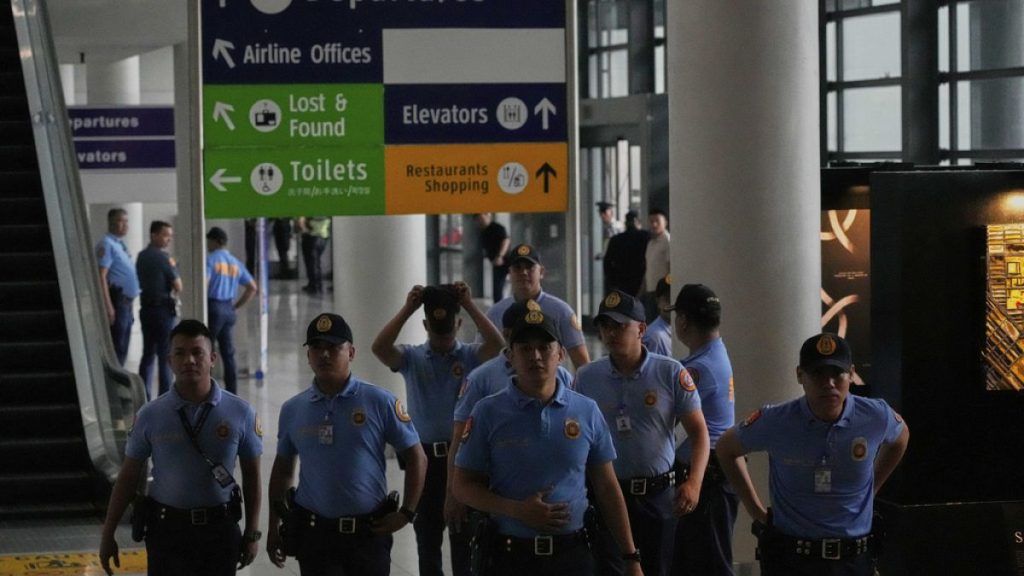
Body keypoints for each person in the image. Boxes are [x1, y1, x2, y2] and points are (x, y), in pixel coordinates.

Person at [453, 306, 643, 576]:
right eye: (526, 349)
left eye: (545, 347)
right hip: (510, 557)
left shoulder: (586, 410)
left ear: (561, 355)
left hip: (572, 555)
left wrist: (630, 556)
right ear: (510, 356)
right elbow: (462, 486)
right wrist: (517, 510)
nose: (536, 356)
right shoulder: (487, 412)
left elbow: (607, 487)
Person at [716, 333, 910, 576]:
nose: (829, 383)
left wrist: (873, 488)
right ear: (800, 375)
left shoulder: (874, 416)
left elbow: (901, 437)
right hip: (793, 560)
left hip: (854, 561)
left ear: (850, 374)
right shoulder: (776, 421)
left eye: (837, 373)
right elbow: (726, 448)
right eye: (818, 374)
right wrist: (755, 510)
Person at [99, 319, 263, 576]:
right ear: (169, 361)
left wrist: (252, 533)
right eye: (180, 353)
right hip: (167, 533)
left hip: (219, 531)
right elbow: (129, 476)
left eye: (197, 352)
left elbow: (252, 475)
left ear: (213, 358)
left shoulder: (240, 412)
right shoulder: (151, 415)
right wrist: (108, 533)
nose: (189, 360)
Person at [267, 313, 427, 576]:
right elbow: (283, 471)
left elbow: (416, 457)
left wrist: (406, 513)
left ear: (351, 352)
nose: (325, 355)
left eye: (333, 347)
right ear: (308, 357)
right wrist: (274, 527)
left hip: (367, 534)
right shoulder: (293, 409)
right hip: (315, 534)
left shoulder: (379, 401)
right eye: (317, 348)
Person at [371, 282, 504, 576]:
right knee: (427, 541)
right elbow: (379, 348)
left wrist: (469, 305)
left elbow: (497, 346)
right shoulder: (413, 358)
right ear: (425, 324)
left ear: (458, 324)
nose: (442, 339)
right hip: (426, 461)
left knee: (464, 540)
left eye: (448, 331)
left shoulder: (469, 356)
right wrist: (408, 308)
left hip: (465, 460)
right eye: (435, 330)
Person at [575, 290, 709, 576]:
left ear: (641, 329)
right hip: (606, 496)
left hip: (657, 496)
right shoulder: (587, 378)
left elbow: (699, 433)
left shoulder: (670, 373)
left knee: (657, 568)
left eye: (620, 326)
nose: (611, 333)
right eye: (605, 326)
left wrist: (694, 483)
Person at [444, 300, 575, 546]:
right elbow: (460, 437)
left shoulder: (562, 377)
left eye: (543, 344)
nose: (535, 354)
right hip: (495, 490)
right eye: (525, 344)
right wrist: (453, 494)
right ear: (508, 338)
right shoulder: (482, 378)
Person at [666, 284, 736, 576]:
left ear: (682, 321)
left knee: (708, 564)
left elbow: (674, 424)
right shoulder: (715, 355)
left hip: (707, 482)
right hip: (714, 478)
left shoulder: (697, 369)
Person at [484, 243, 590, 369]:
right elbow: (482, 358)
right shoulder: (495, 313)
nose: (523, 272)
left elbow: (581, 362)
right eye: (517, 268)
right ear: (509, 273)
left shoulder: (561, 311)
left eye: (530, 267)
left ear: (541, 272)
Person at [206, 227, 258, 394]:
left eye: (209, 240)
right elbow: (252, 287)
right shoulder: (235, 262)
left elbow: (205, 283)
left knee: (205, 350)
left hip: (214, 307)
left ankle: (206, 389)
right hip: (228, 309)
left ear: (215, 241)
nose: (207, 244)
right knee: (228, 353)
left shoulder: (211, 259)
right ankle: (232, 391)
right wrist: (236, 306)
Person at [136, 220, 182, 399]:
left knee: (148, 353)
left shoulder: (141, 256)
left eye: (170, 236)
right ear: (153, 235)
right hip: (163, 310)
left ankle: (143, 395)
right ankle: (164, 397)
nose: (168, 240)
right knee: (165, 355)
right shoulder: (164, 258)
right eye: (165, 235)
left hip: (146, 308)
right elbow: (178, 285)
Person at [96, 207, 140, 366]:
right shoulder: (106, 244)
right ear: (111, 223)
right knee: (118, 347)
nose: (126, 225)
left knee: (123, 347)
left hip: (127, 303)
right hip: (117, 301)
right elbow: (101, 275)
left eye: (127, 221)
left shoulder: (120, 245)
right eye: (121, 221)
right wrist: (108, 307)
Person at [603, 211, 649, 297]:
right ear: (638, 222)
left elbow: (607, 263)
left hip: (622, 283)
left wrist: (613, 282)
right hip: (641, 281)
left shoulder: (616, 240)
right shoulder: (646, 237)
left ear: (625, 223)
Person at [641, 209, 671, 322]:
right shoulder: (650, 243)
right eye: (651, 221)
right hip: (650, 290)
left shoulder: (668, 241)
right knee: (650, 322)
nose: (654, 224)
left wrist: (667, 290)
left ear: (665, 222)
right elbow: (648, 268)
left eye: (657, 221)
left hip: (662, 292)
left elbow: (670, 267)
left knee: (663, 323)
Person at [476, 213, 510, 303]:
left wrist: (500, 256)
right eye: (478, 219)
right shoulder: (483, 231)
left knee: (499, 287)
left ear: (488, 216)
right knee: (497, 289)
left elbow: (505, 241)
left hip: (506, 260)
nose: (480, 221)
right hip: (496, 262)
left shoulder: (497, 228)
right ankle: (498, 308)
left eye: (482, 218)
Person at [641, 276, 673, 357]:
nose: (672, 304)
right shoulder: (655, 337)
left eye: (675, 299)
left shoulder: (682, 330)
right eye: (668, 299)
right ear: (658, 301)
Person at [298, 216, 330, 294]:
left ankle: (315, 287)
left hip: (312, 237)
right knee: (316, 262)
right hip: (323, 237)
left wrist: (304, 229)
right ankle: (317, 285)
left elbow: (301, 221)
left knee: (312, 264)